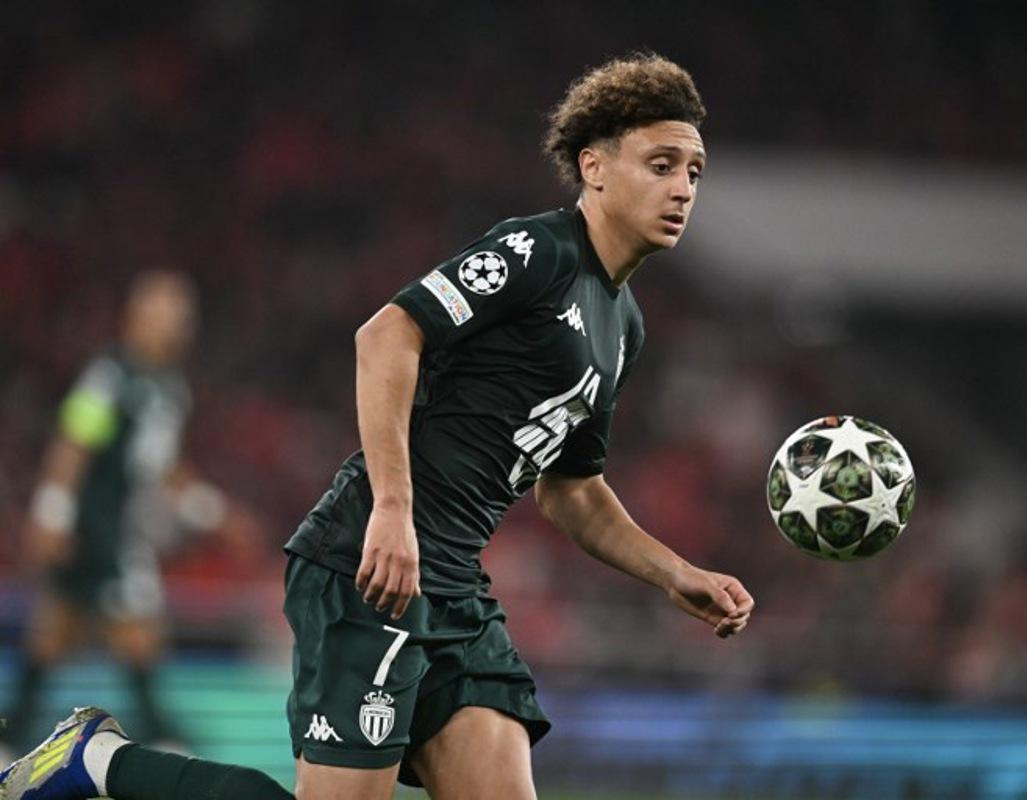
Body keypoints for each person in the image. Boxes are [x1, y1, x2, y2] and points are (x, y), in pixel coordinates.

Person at [0, 52, 754, 800]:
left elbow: (573, 492)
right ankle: (99, 760)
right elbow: (387, 335)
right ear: (595, 167)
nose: (683, 188)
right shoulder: (538, 252)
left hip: (453, 587)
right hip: (371, 563)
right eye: (662, 165)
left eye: (694, 171)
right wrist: (393, 509)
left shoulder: (624, 326)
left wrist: (675, 572)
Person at [0, 271, 243, 761]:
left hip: (118, 529)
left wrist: (212, 511)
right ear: (133, 319)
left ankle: (10, 736)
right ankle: (162, 739)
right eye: (158, 316)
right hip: (97, 528)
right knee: (137, 631)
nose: (167, 328)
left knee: (54, 634)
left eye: (176, 319)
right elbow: (73, 440)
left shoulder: (170, 390)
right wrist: (53, 512)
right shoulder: (111, 376)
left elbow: (165, 468)